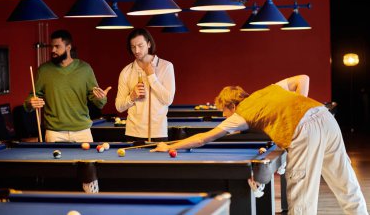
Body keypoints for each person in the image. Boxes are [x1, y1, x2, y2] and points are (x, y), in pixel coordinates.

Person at [151, 75, 368, 215]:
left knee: (301, 196)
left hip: (305, 130)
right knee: (345, 182)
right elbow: (304, 78)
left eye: (223, 112)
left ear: (232, 105)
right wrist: (298, 104)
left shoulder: (242, 114)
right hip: (324, 115)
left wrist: (171, 146)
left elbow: (205, 137)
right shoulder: (268, 90)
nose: (224, 117)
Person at [24, 29, 111, 143]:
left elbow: (99, 102)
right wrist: (31, 102)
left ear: (68, 47)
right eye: (52, 46)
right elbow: (32, 97)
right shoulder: (44, 70)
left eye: (57, 46)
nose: (53, 50)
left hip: (82, 132)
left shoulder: (85, 69)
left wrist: (101, 98)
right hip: (54, 133)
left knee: (87, 161)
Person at [115, 28, 175, 142]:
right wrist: (132, 96)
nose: (136, 50)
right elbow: (119, 106)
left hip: (158, 133)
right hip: (133, 132)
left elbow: (168, 99)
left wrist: (151, 77)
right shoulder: (126, 71)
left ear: (148, 44)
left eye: (140, 45)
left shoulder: (166, 66)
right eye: (133, 47)